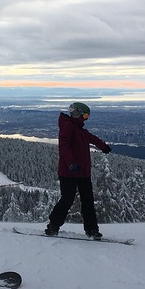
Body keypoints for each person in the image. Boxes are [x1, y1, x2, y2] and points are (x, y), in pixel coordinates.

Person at [45, 102, 111, 239]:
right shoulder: (68, 126)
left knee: (88, 201)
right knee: (67, 199)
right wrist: (71, 163)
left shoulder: (79, 129)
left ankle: (92, 230)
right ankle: (53, 226)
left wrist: (103, 146)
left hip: (83, 173)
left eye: (87, 116)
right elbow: (64, 146)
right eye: (85, 115)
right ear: (78, 113)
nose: (86, 118)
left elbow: (92, 138)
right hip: (69, 172)